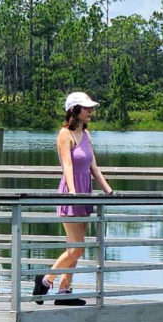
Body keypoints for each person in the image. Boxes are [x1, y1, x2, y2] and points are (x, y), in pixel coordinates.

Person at [33, 92, 113, 306]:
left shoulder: (86, 136)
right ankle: (46, 279)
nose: (91, 111)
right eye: (87, 108)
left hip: (85, 193)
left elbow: (93, 166)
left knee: (77, 247)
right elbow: (67, 165)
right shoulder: (64, 134)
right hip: (71, 193)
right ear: (74, 110)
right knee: (76, 248)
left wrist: (108, 190)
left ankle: (64, 290)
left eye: (91, 108)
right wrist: (72, 191)